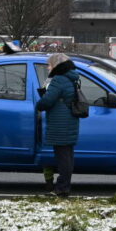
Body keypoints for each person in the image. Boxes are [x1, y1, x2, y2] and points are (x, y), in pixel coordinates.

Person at [35, 52, 81, 197]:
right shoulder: (72, 78)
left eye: (49, 65)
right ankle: (64, 187)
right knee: (67, 155)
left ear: (56, 65)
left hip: (60, 122)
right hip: (69, 120)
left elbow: (47, 101)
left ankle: (61, 188)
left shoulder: (59, 80)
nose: (48, 68)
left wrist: (40, 102)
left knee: (63, 158)